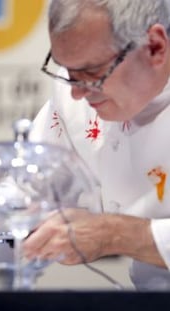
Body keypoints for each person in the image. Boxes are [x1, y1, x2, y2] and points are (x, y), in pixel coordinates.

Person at [22, 0, 170, 290]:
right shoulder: (75, 91)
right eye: (68, 72)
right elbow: (31, 187)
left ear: (155, 47)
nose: (77, 93)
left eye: (92, 72)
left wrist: (116, 234)